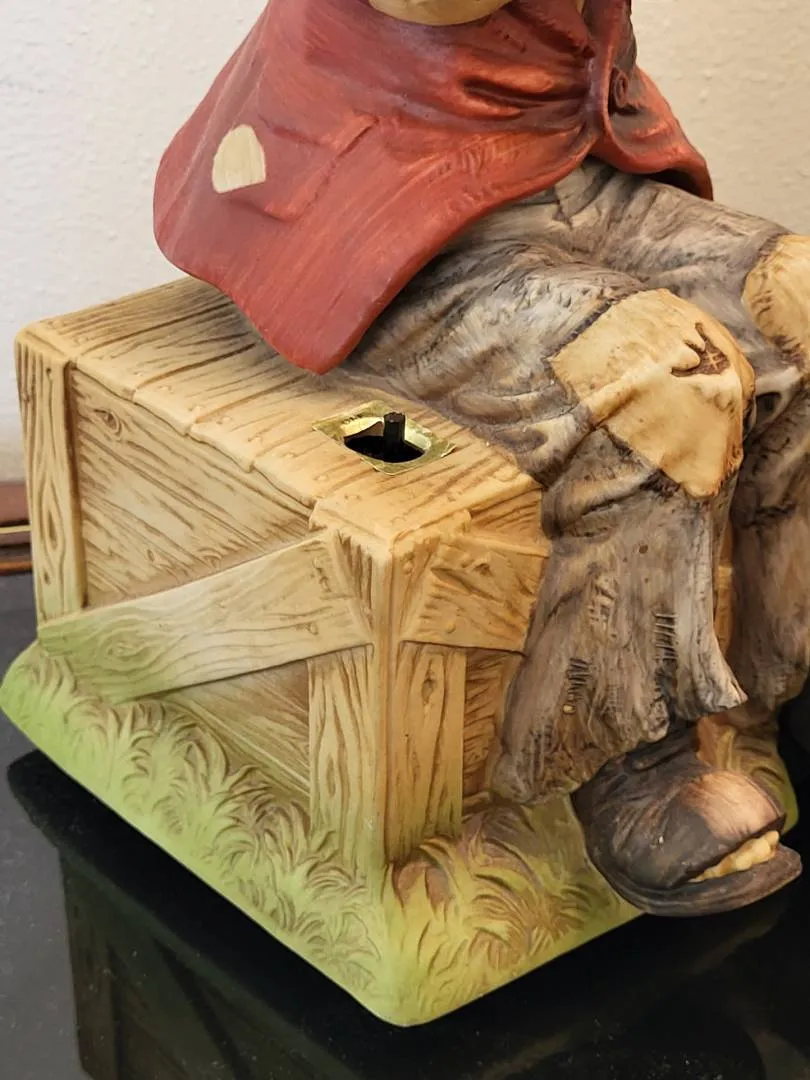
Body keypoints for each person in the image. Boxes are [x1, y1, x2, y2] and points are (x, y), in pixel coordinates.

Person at [154, 0, 810, 913]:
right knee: (662, 382)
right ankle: (629, 756)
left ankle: (779, 675)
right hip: (393, 211)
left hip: (572, 164)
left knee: (797, 296)